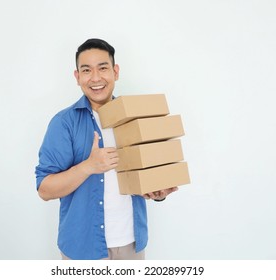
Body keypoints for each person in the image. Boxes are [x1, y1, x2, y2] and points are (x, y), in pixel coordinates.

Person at [35, 38, 178, 260]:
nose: (95, 78)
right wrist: (89, 167)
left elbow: (144, 176)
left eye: (103, 68)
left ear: (115, 71)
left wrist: (157, 193)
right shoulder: (63, 123)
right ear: (77, 77)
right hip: (82, 249)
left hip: (132, 245)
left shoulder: (136, 117)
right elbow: (44, 189)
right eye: (86, 70)